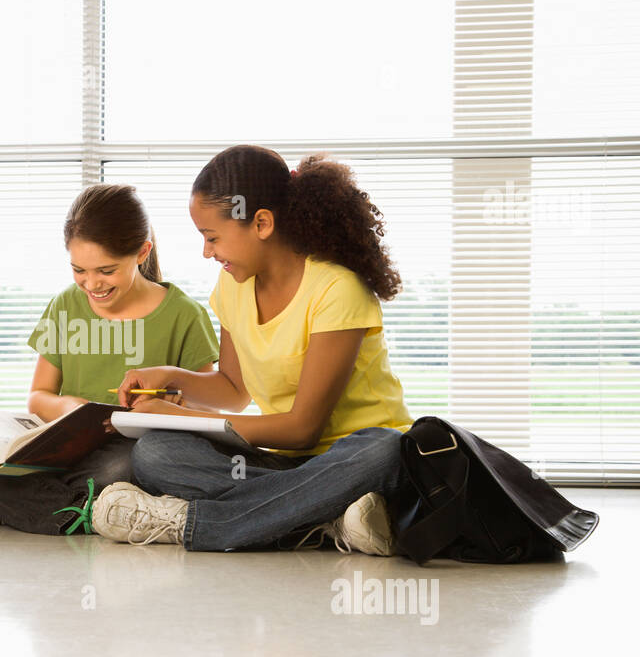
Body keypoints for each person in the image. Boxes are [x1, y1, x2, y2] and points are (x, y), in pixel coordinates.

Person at [89, 148, 414, 554]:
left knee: (385, 450)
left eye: (212, 237)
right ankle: (326, 519)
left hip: (352, 459)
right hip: (286, 468)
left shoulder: (337, 289)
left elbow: (302, 429)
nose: (207, 252)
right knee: (157, 453)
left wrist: (183, 416)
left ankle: (199, 523)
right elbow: (233, 389)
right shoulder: (233, 287)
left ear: (261, 222)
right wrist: (172, 379)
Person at [0, 183, 219, 534]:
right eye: (79, 270)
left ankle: (19, 505)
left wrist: (171, 407)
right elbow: (38, 396)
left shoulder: (183, 315)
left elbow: (209, 411)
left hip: (124, 450)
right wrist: (68, 408)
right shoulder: (64, 305)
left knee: (128, 464)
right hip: (60, 449)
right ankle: (79, 509)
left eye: (106, 271)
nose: (91, 283)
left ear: (142, 253)